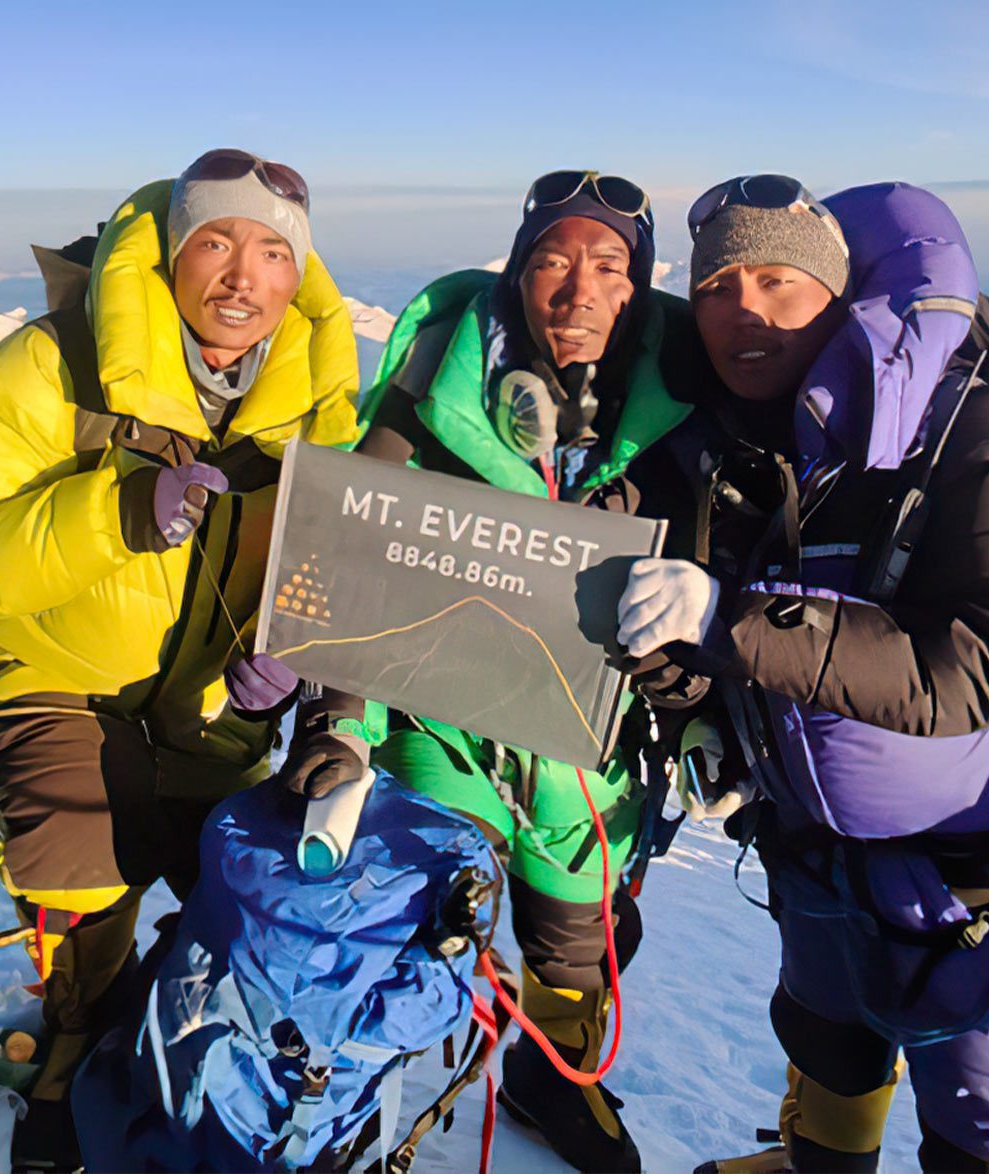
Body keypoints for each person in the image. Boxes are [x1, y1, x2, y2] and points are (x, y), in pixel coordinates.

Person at [615, 177, 989, 1171]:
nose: (740, 311)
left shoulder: (986, 431)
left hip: (978, 881)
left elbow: (987, 659)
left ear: (839, 296)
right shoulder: (737, 445)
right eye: (714, 286)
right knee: (828, 1053)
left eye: (775, 281)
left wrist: (726, 622)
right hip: (814, 858)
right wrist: (712, 714)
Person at [0, 148, 358, 1167]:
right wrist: (109, 513)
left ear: (299, 275)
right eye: (216, 242)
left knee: (252, 883)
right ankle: (78, 1033)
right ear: (168, 253)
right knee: (81, 849)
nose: (244, 276)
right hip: (52, 678)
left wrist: (294, 651)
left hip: (211, 712)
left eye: (274, 253)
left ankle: (171, 1028)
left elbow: (335, 559)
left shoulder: (317, 391)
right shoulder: (54, 362)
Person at [275, 170, 705, 1172]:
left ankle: (551, 1085)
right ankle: (339, 1100)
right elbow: (354, 548)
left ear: (639, 286)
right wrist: (339, 721)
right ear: (514, 274)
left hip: (592, 747)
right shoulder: (436, 390)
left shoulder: (687, 405)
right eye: (551, 260)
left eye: (608, 265)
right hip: (446, 722)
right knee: (417, 913)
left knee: (579, 943)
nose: (576, 287)